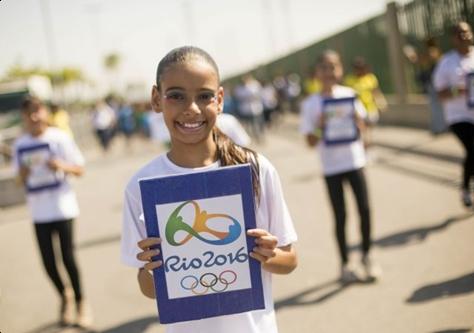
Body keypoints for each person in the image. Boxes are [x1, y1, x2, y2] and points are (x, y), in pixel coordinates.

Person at [121, 46, 298, 333]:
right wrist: (155, 269)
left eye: (204, 96)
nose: (191, 109)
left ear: (220, 100)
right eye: (176, 96)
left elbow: (289, 260)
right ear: (156, 99)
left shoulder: (255, 168)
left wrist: (268, 253)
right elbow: (148, 289)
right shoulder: (142, 186)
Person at [300, 50, 380, 283]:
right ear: (317, 73)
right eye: (323, 67)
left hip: (355, 162)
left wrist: (358, 123)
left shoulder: (350, 95)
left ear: (340, 70)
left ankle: (367, 256)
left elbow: (363, 126)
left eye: (333, 66)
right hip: (331, 168)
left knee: (365, 210)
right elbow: (309, 142)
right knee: (340, 216)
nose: (328, 72)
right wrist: (320, 126)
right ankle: (345, 265)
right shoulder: (311, 104)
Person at [12, 96, 92, 328]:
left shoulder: (60, 138)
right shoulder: (20, 144)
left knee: (68, 258)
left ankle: (81, 303)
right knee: (48, 262)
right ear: (24, 117)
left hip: (63, 207)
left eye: (38, 110)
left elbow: (79, 169)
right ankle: (64, 296)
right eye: (29, 113)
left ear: (45, 112)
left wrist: (61, 166)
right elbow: (18, 180)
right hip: (38, 212)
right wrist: (25, 173)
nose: (34, 116)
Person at [432, 21, 474, 212]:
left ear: (472, 34)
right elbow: (440, 94)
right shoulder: (447, 62)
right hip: (458, 116)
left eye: (466, 32)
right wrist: (459, 89)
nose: (464, 36)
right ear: (453, 39)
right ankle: (465, 188)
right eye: (459, 33)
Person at [344, 57, 387, 150]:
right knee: (363, 128)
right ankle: (364, 145)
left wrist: (381, 103)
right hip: (358, 110)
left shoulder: (370, 78)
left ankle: (368, 144)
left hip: (370, 108)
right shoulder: (349, 80)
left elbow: (376, 92)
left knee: (369, 128)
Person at [415, 38, 447, 135]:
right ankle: (439, 127)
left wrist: (417, 58)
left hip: (434, 82)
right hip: (436, 82)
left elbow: (424, 61)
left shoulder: (432, 52)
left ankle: (439, 128)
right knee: (437, 106)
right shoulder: (439, 53)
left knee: (435, 106)